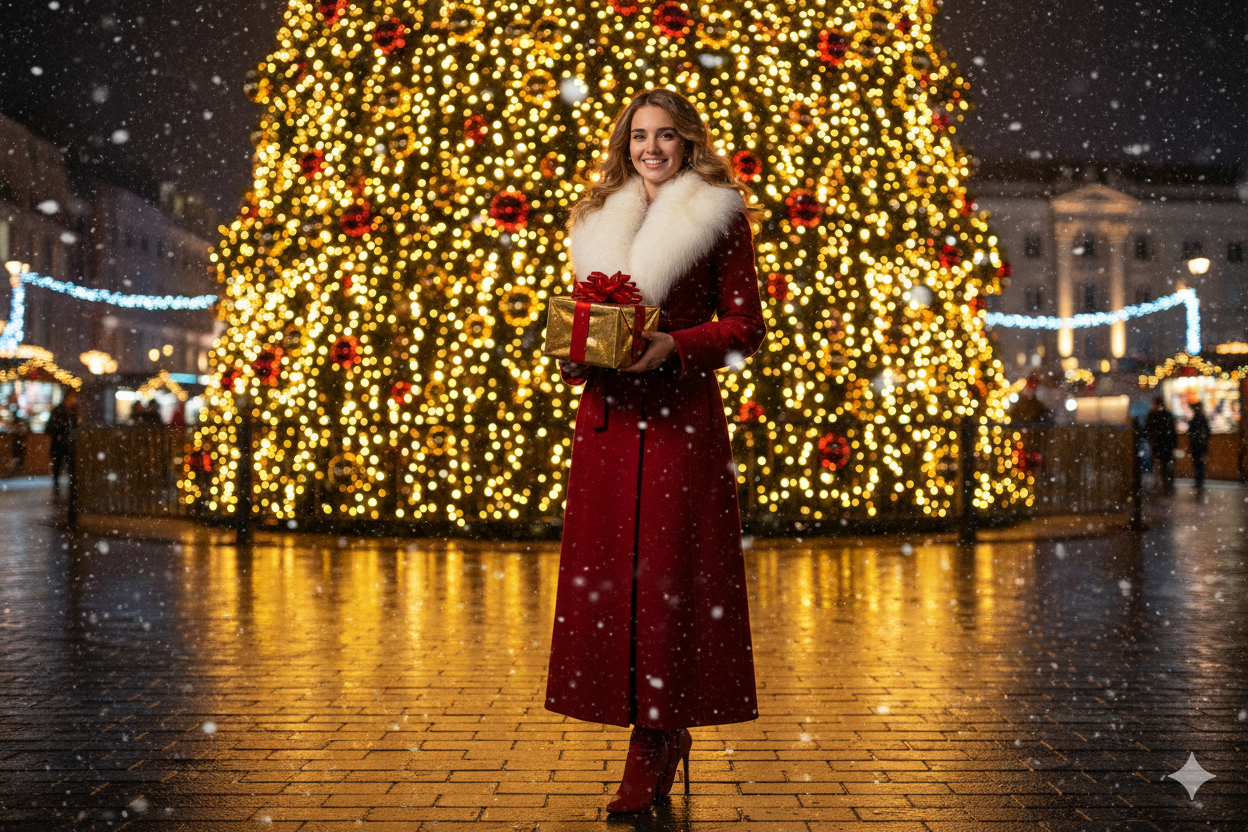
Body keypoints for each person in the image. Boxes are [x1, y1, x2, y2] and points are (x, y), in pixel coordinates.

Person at [545, 89, 766, 814]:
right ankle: (638, 720)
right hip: (607, 426)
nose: (651, 148)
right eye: (640, 136)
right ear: (624, 144)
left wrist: (677, 346)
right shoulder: (595, 218)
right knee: (611, 589)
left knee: (668, 586)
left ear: (688, 143)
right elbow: (586, 315)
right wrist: (577, 354)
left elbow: (744, 326)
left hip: (678, 427)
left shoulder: (717, 217)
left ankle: (659, 735)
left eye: (666, 136)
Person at [47, 391, 78, 495]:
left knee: (69, 465)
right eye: (73, 397)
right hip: (60, 443)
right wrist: (61, 435)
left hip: (67, 443)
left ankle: (70, 487)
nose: (74, 400)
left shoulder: (73, 411)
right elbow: (50, 427)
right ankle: (58, 486)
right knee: (58, 465)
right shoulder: (58, 411)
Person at [1143, 396, 1177, 495]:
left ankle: (1160, 485)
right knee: (1166, 467)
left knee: (1158, 466)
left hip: (1157, 445)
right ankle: (1166, 485)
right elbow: (1172, 432)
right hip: (1165, 445)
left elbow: (1148, 430)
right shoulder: (1167, 415)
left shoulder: (1153, 415)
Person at [1187, 400, 1211, 491]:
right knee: (1200, 464)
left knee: (1197, 464)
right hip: (1201, 446)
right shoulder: (1202, 418)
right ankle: (1199, 481)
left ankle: (1198, 481)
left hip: (1196, 446)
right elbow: (1208, 431)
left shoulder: (1196, 419)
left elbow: (1191, 432)